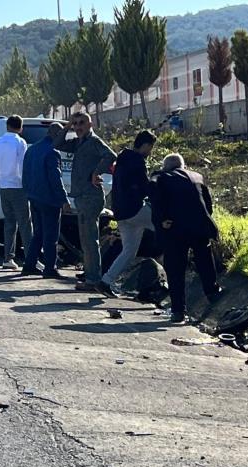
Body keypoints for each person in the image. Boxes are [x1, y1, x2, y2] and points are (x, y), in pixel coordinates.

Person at [149, 153, 223, 325]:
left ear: (166, 167)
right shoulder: (197, 177)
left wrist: (161, 219)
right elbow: (208, 205)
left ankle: (178, 310)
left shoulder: (161, 177)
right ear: (182, 166)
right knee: (204, 259)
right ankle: (212, 292)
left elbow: (155, 196)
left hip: (175, 228)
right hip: (199, 226)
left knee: (175, 269)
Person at [53, 111, 116, 292]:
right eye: (76, 123)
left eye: (82, 123)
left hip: (91, 196)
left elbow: (111, 155)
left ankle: (93, 280)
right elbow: (57, 144)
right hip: (81, 196)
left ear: (90, 124)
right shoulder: (78, 142)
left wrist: (96, 172)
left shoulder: (94, 141)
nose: (78, 127)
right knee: (86, 240)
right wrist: (67, 126)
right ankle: (91, 276)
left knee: (89, 241)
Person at [97, 129, 157, 297]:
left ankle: (106, 281)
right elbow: (144, 187)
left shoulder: (122, 159)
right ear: (145, 145)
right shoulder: (137, 161)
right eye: (150, 147)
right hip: (135, 209)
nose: (150, 152)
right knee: (165, 226)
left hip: (121, 212)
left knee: (129, 251)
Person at [21, 122, 69, 279]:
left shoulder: (32, 149)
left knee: (38, 233)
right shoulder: (52, 152)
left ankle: (29, 265)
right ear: (57, 135)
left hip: (34, 197)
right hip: (49, 199)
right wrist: (63, 199)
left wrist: (28, 193)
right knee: (51, 235)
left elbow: (25, 174)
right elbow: (55, 178)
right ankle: (50, 268)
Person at [0, 114, 32, 270]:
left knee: (9, 222)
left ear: (7, 126)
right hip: (18, 186)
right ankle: (31, 257)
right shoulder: (20, 142)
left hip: (3, 186)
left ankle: (8, 258)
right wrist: (25, 184)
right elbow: (22, 165)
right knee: (25, 224)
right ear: (20, 128)